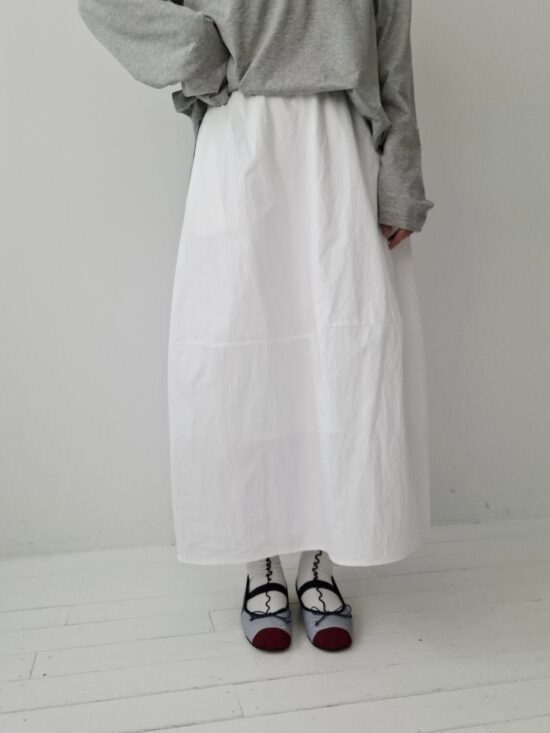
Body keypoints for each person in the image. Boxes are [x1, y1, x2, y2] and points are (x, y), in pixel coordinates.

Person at [77, 0, 434, 653]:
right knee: (240, 361)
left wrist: (401, 175)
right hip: (240, 138)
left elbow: (391, 44)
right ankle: (258, 561)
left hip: (340, 142)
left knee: (343, 360)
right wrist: (202, 53)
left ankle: (322, 558)